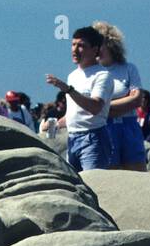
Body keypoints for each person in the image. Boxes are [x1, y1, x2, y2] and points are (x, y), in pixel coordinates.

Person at [45, 26, 113, 172]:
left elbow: (95, 107)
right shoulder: (73, 76)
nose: (75, 50)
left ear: (95, 50)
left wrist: (68, 89)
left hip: (93, 137)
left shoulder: (102, 75)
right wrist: (54, 125)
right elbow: (73, 114)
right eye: (73, 44)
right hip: (72, 137)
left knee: (94, 185)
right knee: (76, 187)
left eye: (81, 46)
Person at [92, 21, 146, 171]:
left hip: (129, 126)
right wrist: (124, 102)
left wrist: (104, 107)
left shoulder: (128, 69)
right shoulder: (92, 72)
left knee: (137, 173)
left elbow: (136, 99)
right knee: (111, 173)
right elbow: (90, 106)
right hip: (105, 127)